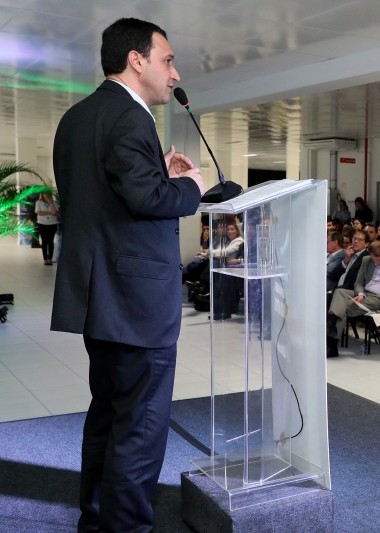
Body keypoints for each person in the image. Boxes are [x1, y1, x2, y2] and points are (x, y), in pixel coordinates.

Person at [51, 18, 205, 532]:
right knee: (139, 428)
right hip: (136, 304)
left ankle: (95, 521)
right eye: (167, 59)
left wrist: (159, 168)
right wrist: (193, 187)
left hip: (101, 297)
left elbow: (104, 195)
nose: (174, 71)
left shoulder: (78, 117)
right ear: (136, 60)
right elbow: (147, 200)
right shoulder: (131, 117)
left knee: (108, 418)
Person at [326, 241, 380, 357]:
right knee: (339, 292)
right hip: (363, 294)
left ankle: (332, 342)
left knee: (341, 307)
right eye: (375, 259)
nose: (378, 261)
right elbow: (359, 282)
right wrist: (361, 294)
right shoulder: (366, 260)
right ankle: (332, 323)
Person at [35, 192, 59, 265]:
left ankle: (50, 259)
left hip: (52, 224)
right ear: (42, 195)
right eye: (45, 194)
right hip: (42, 224)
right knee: (44, 241)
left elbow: (54, 212)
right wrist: (49, 213)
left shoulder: (54, 203)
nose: (46, 196)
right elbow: (39, 212)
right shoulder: (39, 202)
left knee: (51, 241)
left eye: (48, 194)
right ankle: (45, 259)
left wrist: (50, 203)